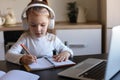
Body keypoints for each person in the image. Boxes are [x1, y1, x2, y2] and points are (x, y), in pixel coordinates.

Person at [5, 1, 73, 65]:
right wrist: (22, 58)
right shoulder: (25, 38)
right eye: (33, 25)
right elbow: (9, 55)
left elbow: (67, 50)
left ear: (50, 23)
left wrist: (66, 53)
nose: (38, 29)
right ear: (26, 23)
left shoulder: (52, 38)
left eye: (43, 25)